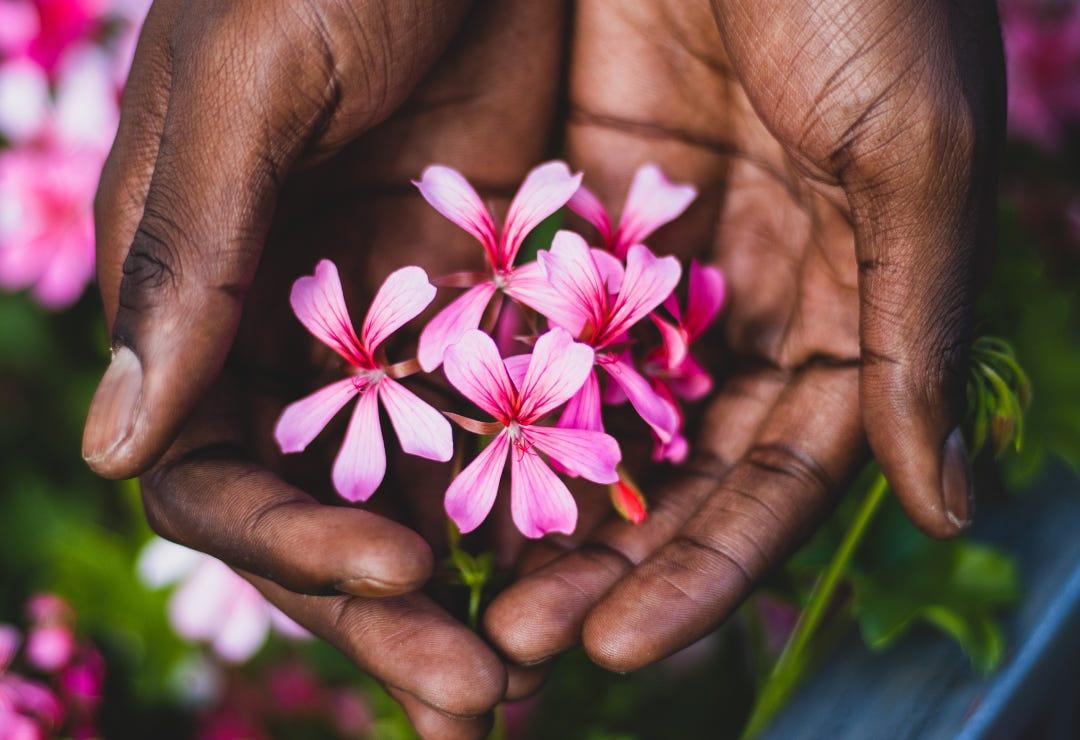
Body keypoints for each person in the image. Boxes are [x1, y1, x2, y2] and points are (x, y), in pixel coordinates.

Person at [81, 0, 1004, 737]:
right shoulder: (485, 326)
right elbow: (498, 375)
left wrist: (600, 364)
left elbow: (535, 373)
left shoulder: (531, 323)